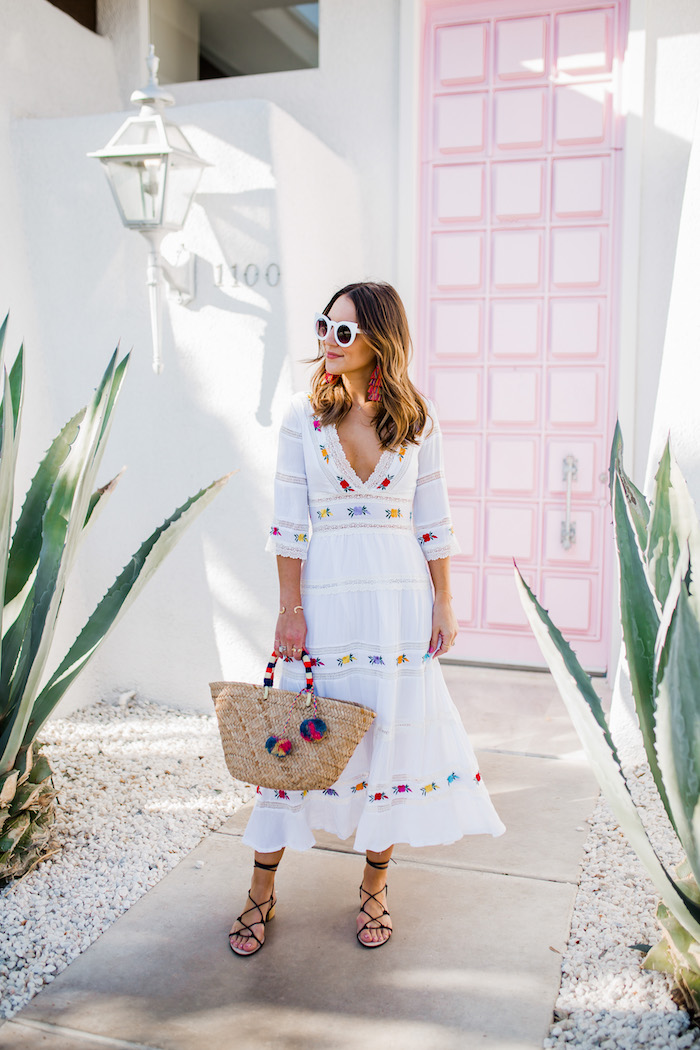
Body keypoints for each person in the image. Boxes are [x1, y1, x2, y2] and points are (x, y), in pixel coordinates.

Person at [229, 281, 505, 955]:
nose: (328, 340)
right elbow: (288, 524)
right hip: (324, 602)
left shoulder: (416, 419)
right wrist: (289, 611)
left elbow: (433, 520)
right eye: (325, 325)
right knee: (291, 742)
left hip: (397, 606)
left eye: (344, 332)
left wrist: (444, 599)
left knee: (389, 746)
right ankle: (260, 890)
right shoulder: (303, 416)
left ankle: (375, 887)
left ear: (379, 341)